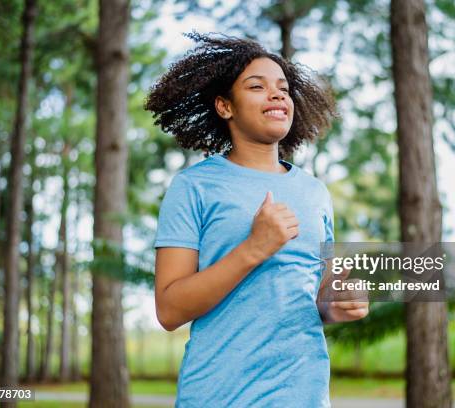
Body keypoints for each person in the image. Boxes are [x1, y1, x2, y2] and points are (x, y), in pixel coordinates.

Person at [146, 31, 369, 407]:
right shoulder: (194, 187)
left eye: (283, 88)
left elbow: (317, 297)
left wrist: (340, 303)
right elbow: (169, 310)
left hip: (304, 396)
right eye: (257, 86)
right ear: (224, 106)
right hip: (218, 396)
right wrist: (254, 248)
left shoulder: (315, 193)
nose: (278, 94)